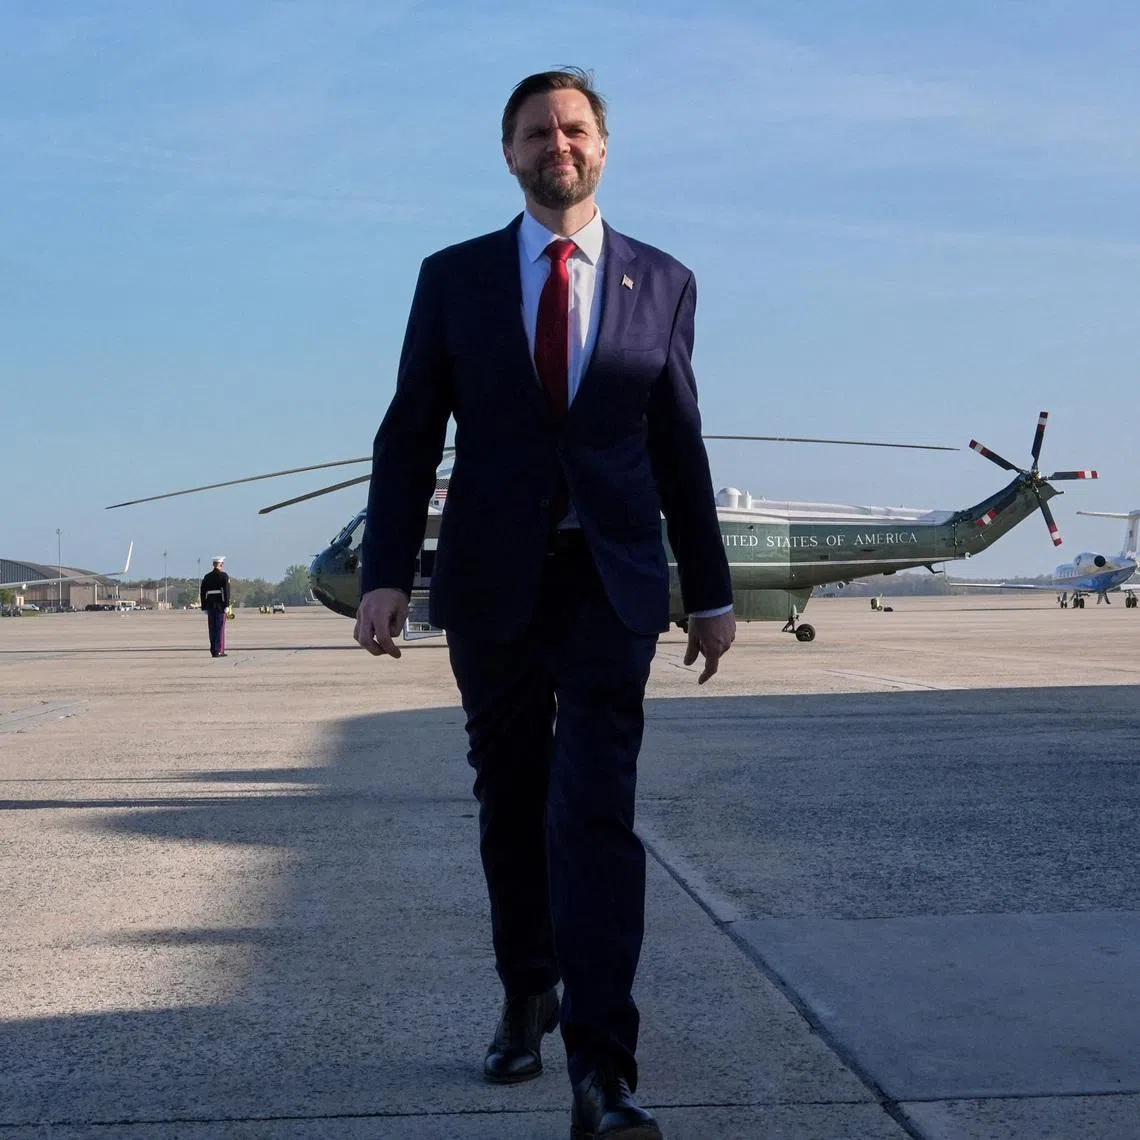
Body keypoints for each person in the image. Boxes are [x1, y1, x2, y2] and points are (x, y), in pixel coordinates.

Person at [354, 68, 735, 1140]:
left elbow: (679, 447)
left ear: (602, 146)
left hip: (610, 583)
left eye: (573, 127)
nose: (556, 144)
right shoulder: (454, 278)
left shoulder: (663, 281)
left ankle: (603, 1073)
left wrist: (707, 589)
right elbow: (409, 431)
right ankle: (529, 987)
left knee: (594, 813)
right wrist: (387, 571)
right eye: (536, 131)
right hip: (491, 584)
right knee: (512, 800)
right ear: (509, 153)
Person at [200, 556, 230, 657]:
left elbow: (202, 592)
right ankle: (218, 650)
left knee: (212, 629)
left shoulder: (207, 577)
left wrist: (203, 606)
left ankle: (213, 649)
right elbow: (226, 592)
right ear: (221, 565)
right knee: (220, 628)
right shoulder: (224, 576)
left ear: (213, 565)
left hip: (210, 605)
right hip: (220, 605)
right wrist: (227, 605)